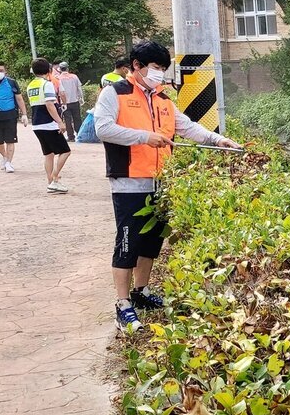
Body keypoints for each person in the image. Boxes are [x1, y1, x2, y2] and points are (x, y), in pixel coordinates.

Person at [94, 40, 241, 333]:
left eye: (162, 68)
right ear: (137, 66)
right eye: (156, 68)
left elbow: (187, 126)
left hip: (161, 181)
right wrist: (144, 137)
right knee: (127, 243)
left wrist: (217, 140)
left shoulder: (162, 99)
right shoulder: (115, 93)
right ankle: (123, 304)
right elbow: (103, 129)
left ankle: (141, 291)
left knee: (152, 241)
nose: (159, 73)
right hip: (129, 182)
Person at [25, 58, 71, 193]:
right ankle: (54, 178)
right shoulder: (47, 84)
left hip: (37, 124)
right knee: (65, 151)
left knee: (48, 154)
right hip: (48, 123)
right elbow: (50, 104)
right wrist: (60, 122)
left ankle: (50, 183)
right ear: (49, 70)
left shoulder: (31, 85)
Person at [57, 62, 84, 142]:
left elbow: (61, 92)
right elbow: (79, 88)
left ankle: (71, 137)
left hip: (64, 103)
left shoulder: (59, 78)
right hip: (75, 101)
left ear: (60, 69)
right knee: (77, 119)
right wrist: (81, 98)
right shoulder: (74, 77)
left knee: (67, 120)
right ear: (67, 68)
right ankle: (80, 135)